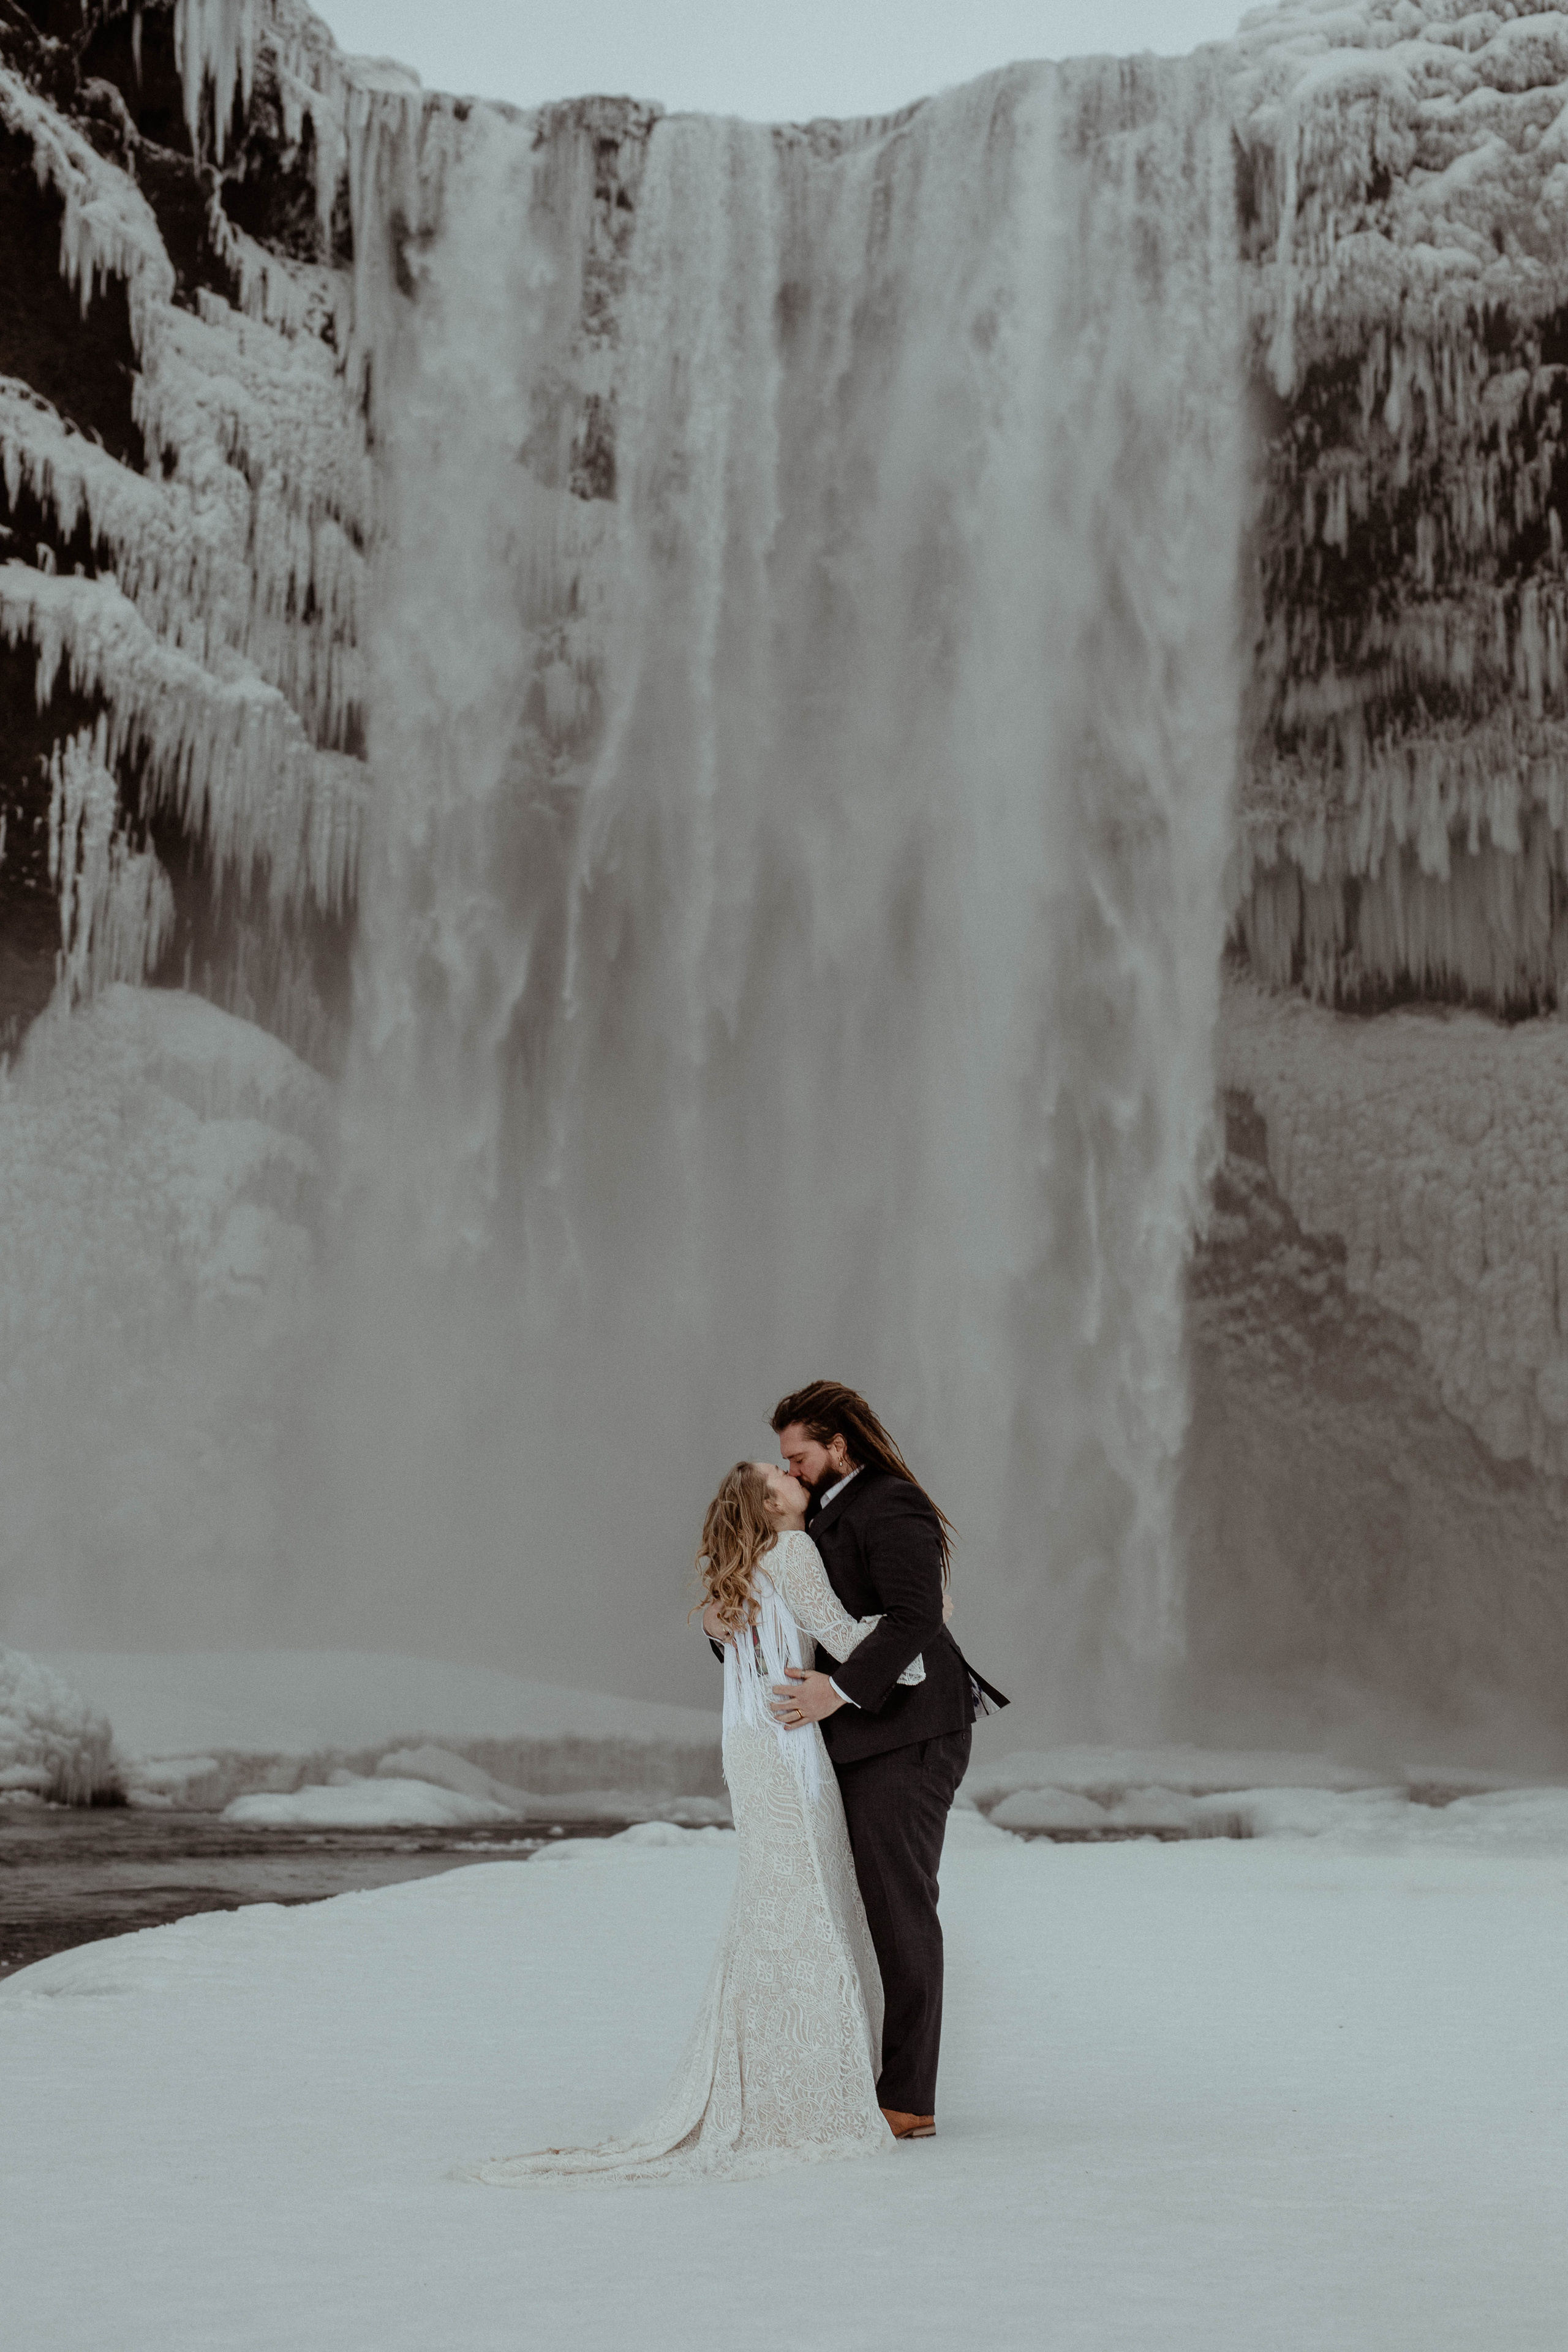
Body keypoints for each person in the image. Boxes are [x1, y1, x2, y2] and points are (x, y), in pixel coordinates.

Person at [469, 1458, 922, 2185]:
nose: (794, 1473)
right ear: (773, 1508)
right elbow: (857, 1644)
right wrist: (913, 1629)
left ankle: (775, 2077)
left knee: (774, 1904)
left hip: (748, 1747)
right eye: (781, 1475)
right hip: (787, 1744)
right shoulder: (796, 1550)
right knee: (808, 1903)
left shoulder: (732, 1581)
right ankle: (810, 2093)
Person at [733, 1380, 1009, 2140]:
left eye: (799, 1456)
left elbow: (917, 1615)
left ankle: (908, 2100)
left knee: (898, 1905)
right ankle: (864, 2074)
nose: (791, 1470)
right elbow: (801, 1612)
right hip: (859, 1734)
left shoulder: (891, 1503)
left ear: (839, 1445)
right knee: (864, 1907)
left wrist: (841, 1693)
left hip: (913, 1732)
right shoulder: (815, 1514)